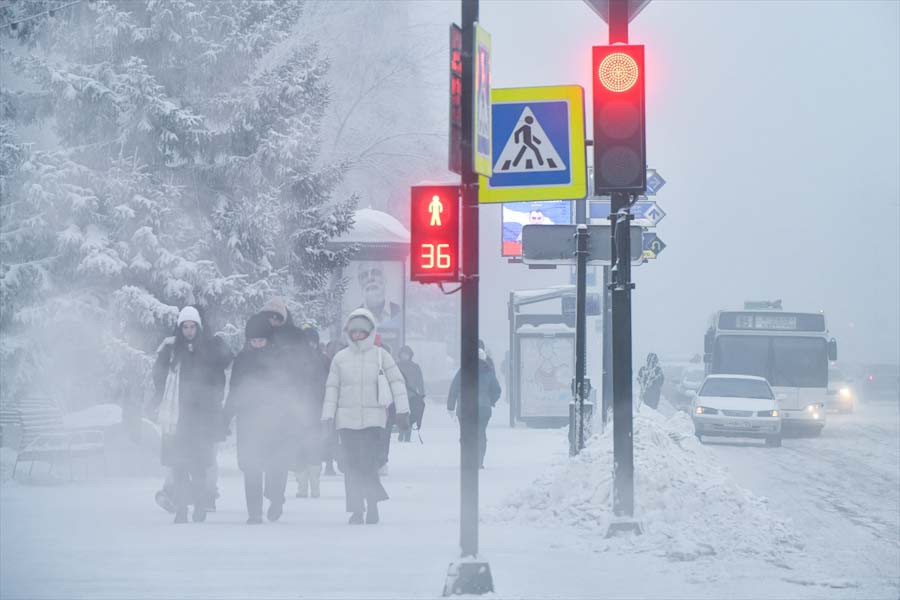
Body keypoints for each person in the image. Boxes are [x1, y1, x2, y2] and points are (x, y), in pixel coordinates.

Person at [321, 308, 410, 525]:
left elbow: (397, 383)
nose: (358, 335)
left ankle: (372, 506)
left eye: (362, 331)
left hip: (374, 420)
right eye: (354, 332)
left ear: (370, 331)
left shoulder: (381, 355)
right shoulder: (340, 358)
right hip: (347, 421)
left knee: (368, 464)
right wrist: (327, 417)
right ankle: (356, 509)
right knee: (351, 466)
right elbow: (332, 388)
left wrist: (403, 411)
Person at [152, 306, 232, 524]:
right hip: (176, 417)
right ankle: (181, 509)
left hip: (200, 419)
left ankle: (199, 505)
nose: (188, 331)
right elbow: (158, 376)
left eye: (192, 326)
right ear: (180, 328)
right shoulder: (172, 349)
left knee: (198, 466)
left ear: (198, 327)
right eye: (185, 327)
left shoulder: (208, 348)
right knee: (178, 466)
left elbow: (223, 368)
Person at [224, 314, 298, 524]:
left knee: (277, 465)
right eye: (253, 341)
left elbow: (290, 388)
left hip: (277, 420)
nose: (257, 344)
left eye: (261, 340)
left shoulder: (281, 359)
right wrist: (226, 416)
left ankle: (276, 500)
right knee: (252, 466)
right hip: (249, 420)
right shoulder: (242, 360)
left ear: (269, 339)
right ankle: (254, 513)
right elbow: (235, 390)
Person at [447, 344, 501, 469]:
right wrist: (490, 400)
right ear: (484, 358)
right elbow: (497, 390)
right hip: (483, 409)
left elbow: (454, 389)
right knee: (481, 434)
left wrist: (450, 406)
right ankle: (479, 461)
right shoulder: (489, 372)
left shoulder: (463, 371)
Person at [295, 324, 329, 498]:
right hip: (314, 409)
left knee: (302, 447)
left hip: (306, 409)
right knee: (312, 447)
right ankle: (312, 486)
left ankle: (305, 486)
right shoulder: (323, 360)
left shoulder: (294, 360)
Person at [396, 345, 426, 442]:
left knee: (411, 415)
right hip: (398, 394)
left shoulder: (415, 367)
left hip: (412, 395)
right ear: (400, 355)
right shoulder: (396, 366)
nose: (404, 356)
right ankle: (401, 433)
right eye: (403, 354)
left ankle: (407, 435)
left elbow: (419, 381)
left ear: (410, 355)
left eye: (406, 354)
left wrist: (421, 394)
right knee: (401, 414)